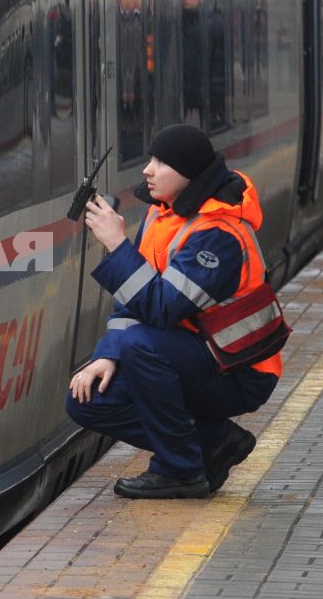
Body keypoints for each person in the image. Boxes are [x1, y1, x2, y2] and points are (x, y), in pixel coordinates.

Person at [66, 123, 281, 499]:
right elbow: (134, 300)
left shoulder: (218, 236)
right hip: (193, 355)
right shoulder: (163, 216)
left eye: (161, 162)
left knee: (139, 344)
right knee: (88, 400)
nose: (148, 169)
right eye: (150, 158)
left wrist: (118, 246)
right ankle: (214, 441)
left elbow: (163, 309)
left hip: (240, 370)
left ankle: (179, 469)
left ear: (189, 175)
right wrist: (107, 355)